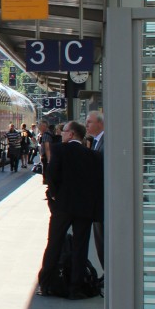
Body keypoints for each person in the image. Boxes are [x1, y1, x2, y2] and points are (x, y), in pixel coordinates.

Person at [37, 121, 103, 298]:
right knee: (80, 247)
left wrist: (55, 196)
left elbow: (51, 175)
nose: (62, 134)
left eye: (64, 131)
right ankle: (76, 287)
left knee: (54, 244)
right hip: (85, 209)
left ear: (72, 134)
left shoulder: (59, 150)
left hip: (62, 208)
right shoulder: (94, 155)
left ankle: (46, 283)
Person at [85, 110, 106, 269]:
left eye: (89, 122)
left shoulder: (106, 141)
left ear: (100, 123)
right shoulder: (97, 141)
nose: (86, 125)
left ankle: (109, 274)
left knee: (103, 240)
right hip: (99, 201)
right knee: (100, 241)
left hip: (102, 201)